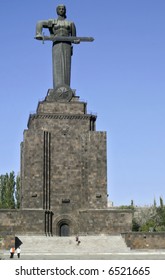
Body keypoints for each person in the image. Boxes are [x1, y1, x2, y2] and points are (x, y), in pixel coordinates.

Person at [35, 4, 77, 89]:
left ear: (65, 11)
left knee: (66, 66)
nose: (61, 10)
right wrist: (38, 33)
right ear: (57, 11)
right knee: (57, 66)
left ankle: (66, 88)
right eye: (60, 9)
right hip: (57, 44)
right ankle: (57, 89)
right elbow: (40, 23)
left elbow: (74, 37)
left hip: (67, 45)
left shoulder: (70, 23)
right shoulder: (53, 21)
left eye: (63, 9)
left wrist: (75, 41)